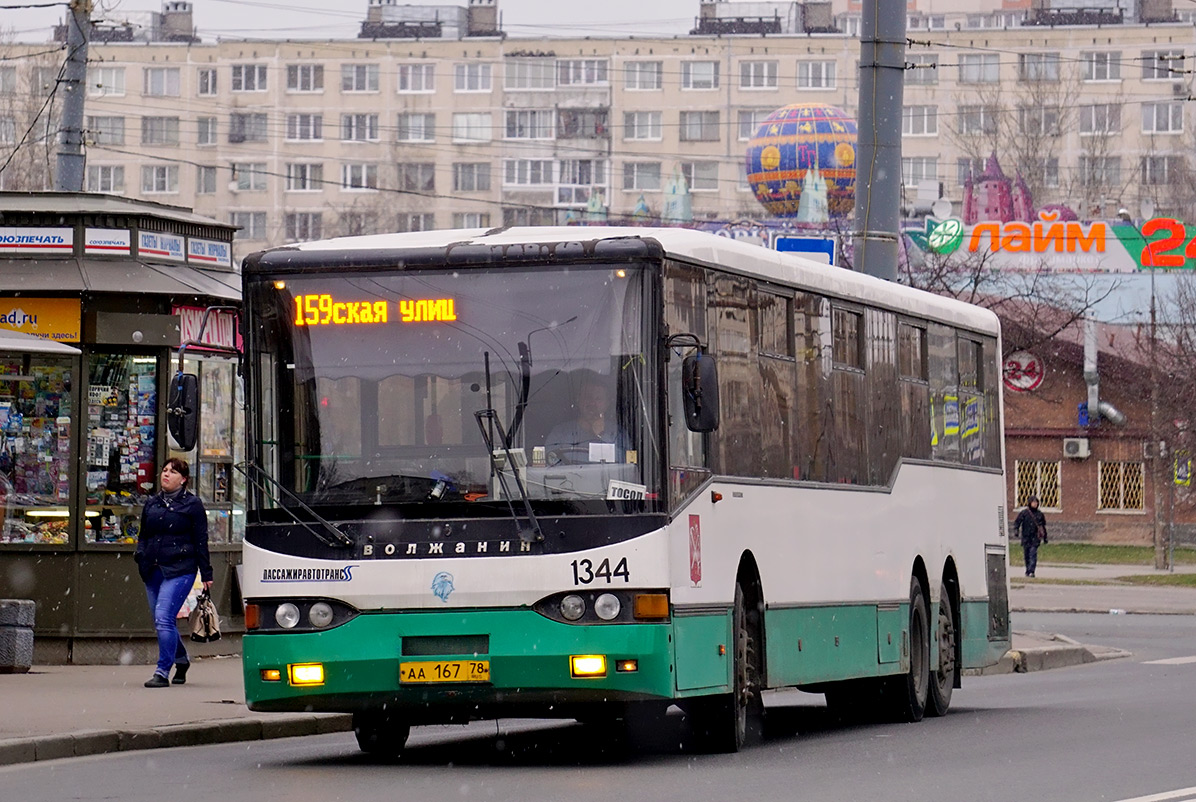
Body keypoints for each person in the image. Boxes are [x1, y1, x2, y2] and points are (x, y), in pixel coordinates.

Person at [134, 458, 213, 688]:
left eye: (173, 472)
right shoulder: (152, 503)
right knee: (161, 619)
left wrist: (206, 573)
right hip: (153, 568)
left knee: (163, 618)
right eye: (165, 470)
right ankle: (181, 659)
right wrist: (140, 554)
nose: (166, 474)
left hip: (180, 569)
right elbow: (144, 535)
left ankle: (162, 671)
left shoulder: (192, 505)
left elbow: (201, 541)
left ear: (183, 479)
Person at [544, 377, 628, 465]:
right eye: (588, 397)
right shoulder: (560, 433)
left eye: (598, 398)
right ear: (578, 400)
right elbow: (549, 461)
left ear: (607, 404)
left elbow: (625, 463)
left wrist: (602, 435)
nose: (592, 403)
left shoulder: (617, 434)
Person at [1013, 495, 1048, 578]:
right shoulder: (1024, 513)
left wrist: (1045, 537)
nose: (1035, 504)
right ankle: (1028, 570)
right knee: (1027, 555)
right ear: (1030, 503)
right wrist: (1016, 531)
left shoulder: (1039, 514)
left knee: (1033, 554)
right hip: (1026, 537)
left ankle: (1032, 571)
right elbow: (1017, 522)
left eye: (1036, 502)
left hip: (1035, 537)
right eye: (1033, 502)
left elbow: (1042, 526)